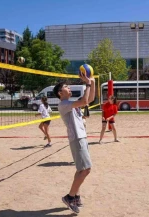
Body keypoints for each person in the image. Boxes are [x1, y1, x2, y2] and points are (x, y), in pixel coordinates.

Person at [53, 73, 95, 214]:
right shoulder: (64, 104)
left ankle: (75, 196)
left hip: (81, 137)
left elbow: (89, 99)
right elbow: (84, 101)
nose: (69, 88)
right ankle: (69, 197)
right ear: (60, 93)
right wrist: (87, 84)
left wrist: (92, 83)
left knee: (81, 169)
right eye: (66, 87)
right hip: (77, 138)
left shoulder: (71, 104)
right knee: (86, 169)